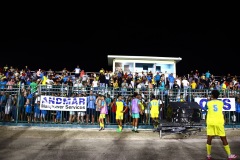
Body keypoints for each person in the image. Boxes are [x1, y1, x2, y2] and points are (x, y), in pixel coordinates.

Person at [205, 90, 237, 160]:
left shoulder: (208, 103)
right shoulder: (221, 103)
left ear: (212, 95)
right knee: (223, 139)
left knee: (209, 139)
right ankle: (229, 155)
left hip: (210, 122)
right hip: (219, 122)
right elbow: (220, 109)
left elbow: (205, 109)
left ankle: (208, 155)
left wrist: (209, 100)